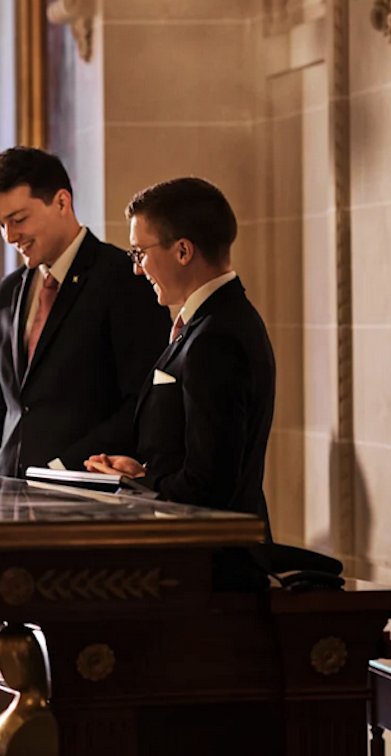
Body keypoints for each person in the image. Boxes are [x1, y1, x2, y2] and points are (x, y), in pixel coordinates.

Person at [0, 147, 168, 477]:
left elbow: (142, 402)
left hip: (81, 497)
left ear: (62, 202)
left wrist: (61, 468)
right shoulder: (4, 293)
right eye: (1, 224)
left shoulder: (123, 279)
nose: (10, 236)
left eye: (18, 220)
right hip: (4, 501)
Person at [85, 178, 275, 522]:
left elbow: (209, 487)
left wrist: (137, 483)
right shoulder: (214, 321)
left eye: (140, 253)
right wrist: (139, 473)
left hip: (209, 561)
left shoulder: (216, 337)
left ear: (183, 251)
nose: (136, 268)